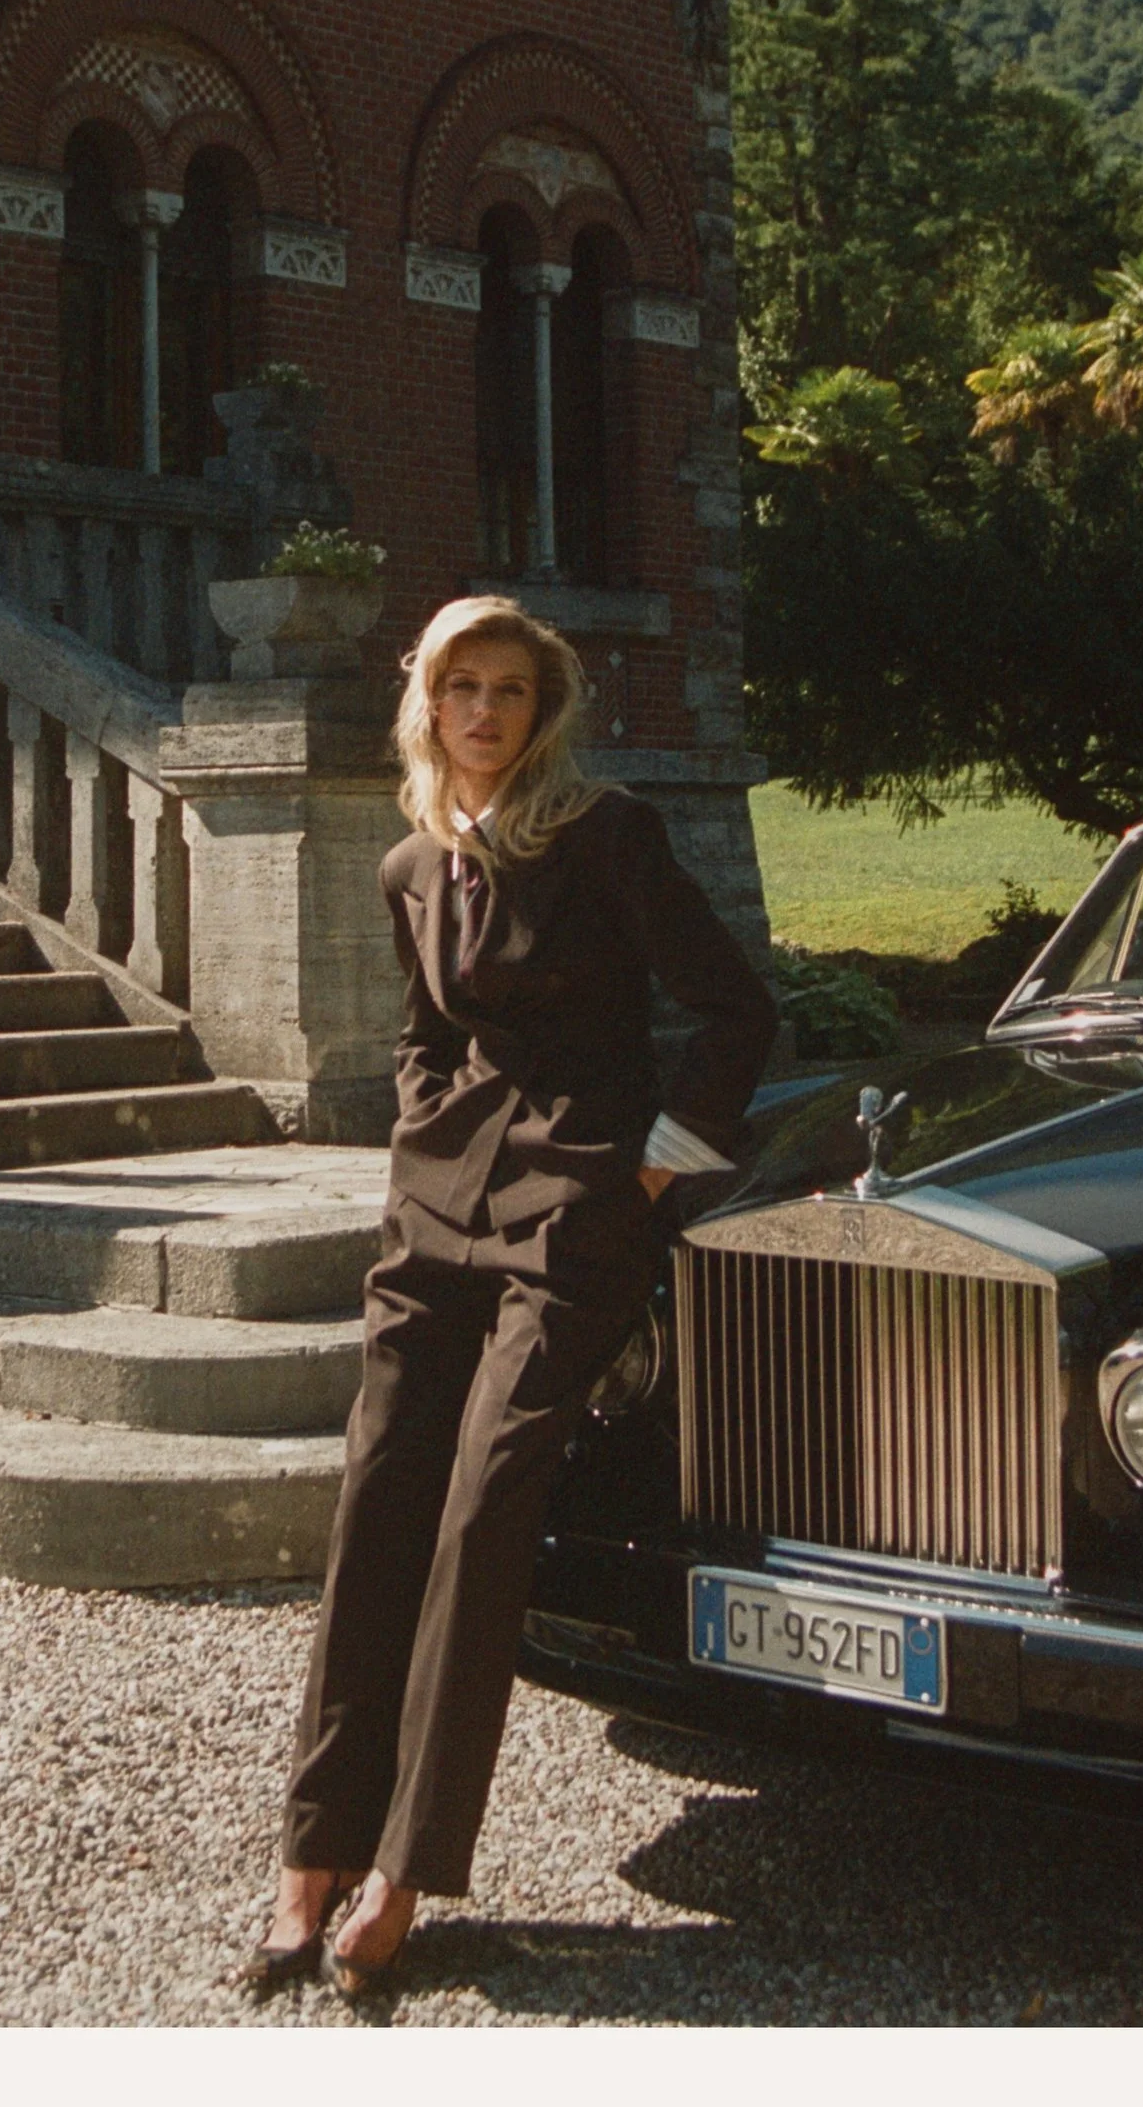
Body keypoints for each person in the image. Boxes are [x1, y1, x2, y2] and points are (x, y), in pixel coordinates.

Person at [236, 593, 778, 2000]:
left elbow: (736, 1013)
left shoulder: (609, 839)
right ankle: (310, 1856)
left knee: (484, 1504)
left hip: (579, 1215)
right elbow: (424, 1045)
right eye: (461, 688)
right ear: (427, 705)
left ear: (543, 717)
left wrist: (652, 1174)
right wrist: (421, 1159)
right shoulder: (412, 864)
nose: (484, 713)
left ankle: (408, 1871)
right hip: (432, 1215)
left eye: (511, 695)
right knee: (378, 1489)